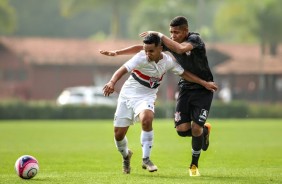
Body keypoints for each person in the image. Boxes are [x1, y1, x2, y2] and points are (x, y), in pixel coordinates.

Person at [101, 16, 216, 176]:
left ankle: (153, 160)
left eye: (176, 32)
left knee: (151, 119)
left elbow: (182, 57)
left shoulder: (192, 41)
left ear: (185, 31)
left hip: (157, 95)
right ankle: (126, 155)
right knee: (120, 135)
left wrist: (204, 83)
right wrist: (116, 56)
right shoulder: (144, 55)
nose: (173, 35)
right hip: (132, 94)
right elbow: (138, 52)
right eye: (171, 33)